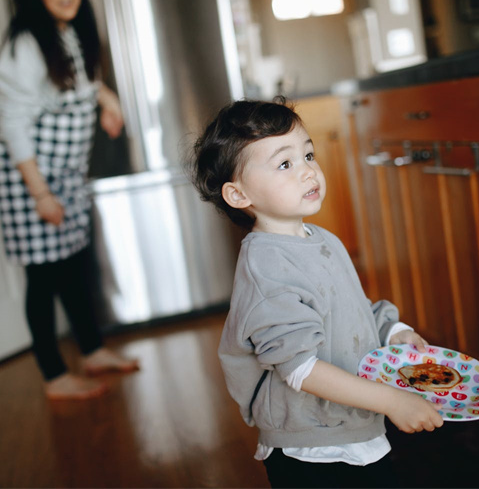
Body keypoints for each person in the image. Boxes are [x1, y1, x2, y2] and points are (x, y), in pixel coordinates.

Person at [189, 98, 444, 488]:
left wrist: (395, 333)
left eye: (308, 154)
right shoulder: (267, 268)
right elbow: (300, 368)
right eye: (285, 164)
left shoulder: (321, 239)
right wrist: (392, 401)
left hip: (354, 423)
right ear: (239, 195)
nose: (308, 171)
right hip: (314, 447)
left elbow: (351, 311)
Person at [0, 0, 138, 400]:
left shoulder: (67, 34)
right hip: (29, 178)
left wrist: (108, 101)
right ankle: (54, 376)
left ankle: (91, 351)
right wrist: (40, 195)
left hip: (64, 172)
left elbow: (80, 84)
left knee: (73, 264)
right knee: (44, 277)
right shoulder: (24, 47)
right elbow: (12, 123)